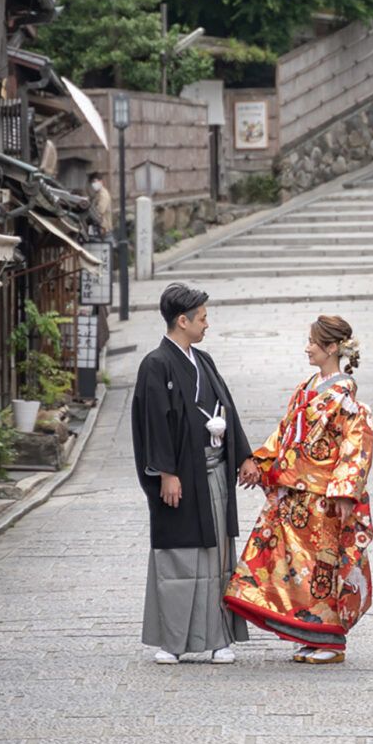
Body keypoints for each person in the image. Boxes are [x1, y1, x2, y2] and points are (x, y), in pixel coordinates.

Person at [225, 315, 373, 665]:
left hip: (324, 500)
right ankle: (308, 633)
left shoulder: (346, 399)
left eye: (313, 342)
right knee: (293, 567)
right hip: (294, 495)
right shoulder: (308, 387)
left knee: (322, 569)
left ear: (332, 348)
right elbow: (284, 433)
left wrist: (344, 491)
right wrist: (261, 463)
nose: (307, 347)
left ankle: (331, 640)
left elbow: (356, 447)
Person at [132, 283, 260, 664]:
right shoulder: (156, 364)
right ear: (182, 320)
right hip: (183, 477)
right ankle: (172, 641)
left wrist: (243, 458)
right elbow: (153, 422)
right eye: (202, 318)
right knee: (180, 560)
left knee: (218, 557)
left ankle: (219, 638)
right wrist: (166, 473)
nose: (207, 324)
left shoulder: (203, 361)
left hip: (214, 473)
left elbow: (228, 408)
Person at [89, 172, 113, 236]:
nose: (93, 184)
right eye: (92, 182)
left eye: (95, 182)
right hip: (99, 227)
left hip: (104, 229)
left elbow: (99, 211)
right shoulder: (98, 193)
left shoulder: (103, 194)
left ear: (101, 182)